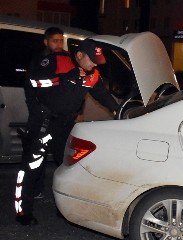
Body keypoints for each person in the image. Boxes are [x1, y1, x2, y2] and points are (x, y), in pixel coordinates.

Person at [15, 39, 118, 226]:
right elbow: (33, 82)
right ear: (79, 55)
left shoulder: (93, 74)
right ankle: (23, 211)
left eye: (98, 60)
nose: (95, 64)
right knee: (32, 166)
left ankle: (65, 208)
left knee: (68, 165)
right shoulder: (58, 61)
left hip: (64, 124)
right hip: (44, 122)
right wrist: (63, 80)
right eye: (92, 59)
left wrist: (117, 109)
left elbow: (101, 94)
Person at [21, 27, 66, 199]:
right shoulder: (39, 60)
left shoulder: (66, 58)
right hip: (40, 116)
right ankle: (35, 189)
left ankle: (64, 192)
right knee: (36, 154)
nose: (59, 43)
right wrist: (36, 109)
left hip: (60, 117)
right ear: (46, 42)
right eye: (55, 40)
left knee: (62, 155)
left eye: (61, 40)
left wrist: (78, 111)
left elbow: (74, 86)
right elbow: (30, 86)